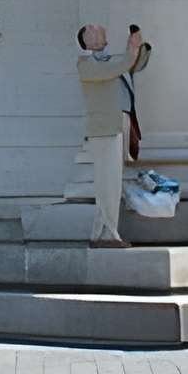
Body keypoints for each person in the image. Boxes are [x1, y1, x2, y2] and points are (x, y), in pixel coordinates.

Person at [75, 23, 151, 246]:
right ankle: (108, 234)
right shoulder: (85, 65)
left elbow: (132, 64)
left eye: (98, 29)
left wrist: (138, 47)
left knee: (112, 182)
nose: (98, 31)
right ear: (86, 41)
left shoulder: (114, 61)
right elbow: (121, 65)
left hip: (118, 126)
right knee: (107, 183)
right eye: (91, 31)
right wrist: (131, 50)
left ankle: (101, 232)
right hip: (103, 129)